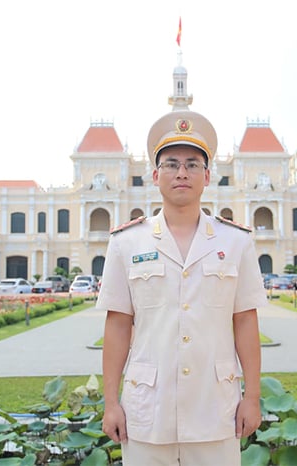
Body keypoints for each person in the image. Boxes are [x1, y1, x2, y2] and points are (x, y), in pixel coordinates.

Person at [97, 109, 267, 465]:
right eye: (172, 164)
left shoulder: (236, 242)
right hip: (147, 411)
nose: (182, 173)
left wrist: (252, 396)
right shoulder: (127, 243)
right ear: (155, 175)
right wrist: (111, 402)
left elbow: (245, 321)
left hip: (215, 410)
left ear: (207, 176)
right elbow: (117, 325)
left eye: (192, 164)